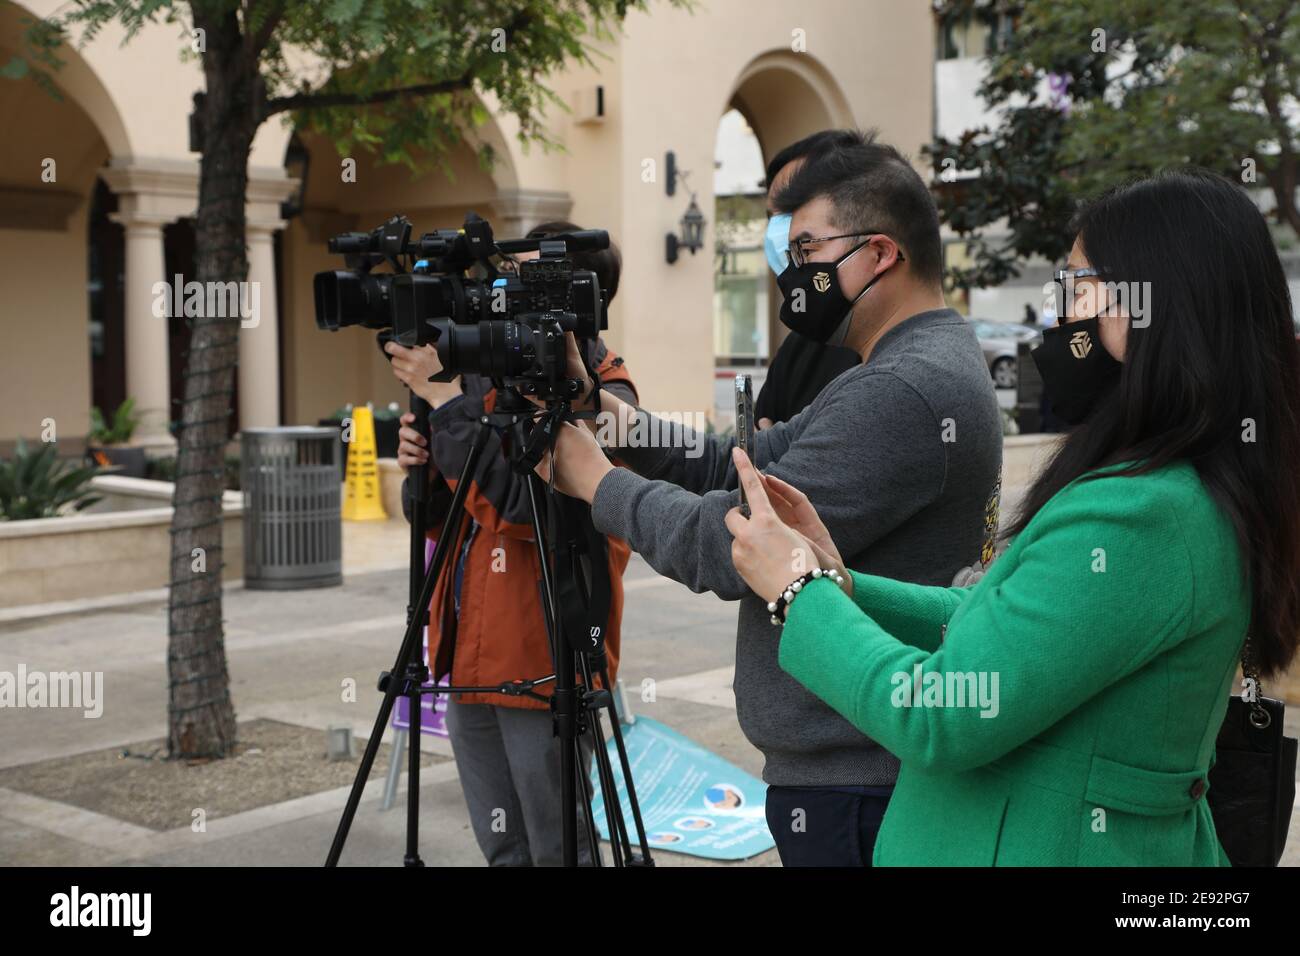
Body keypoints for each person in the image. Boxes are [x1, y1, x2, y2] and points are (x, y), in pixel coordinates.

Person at [727, 168, 1300, 865]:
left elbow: (942, 714)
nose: (1060, 317)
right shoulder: (1176, 484)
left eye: (1078, 287)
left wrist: (797, 593)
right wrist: (841, 582)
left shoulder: (1141, 513)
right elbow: (1006, 628)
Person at [535, 133, 1003, 865]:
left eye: (809, 250)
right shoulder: (899, 368)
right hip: (849, 769)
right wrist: (604, 413)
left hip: (860, 782)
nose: (794, 272)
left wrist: (595, 480)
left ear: (879, 253)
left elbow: (730, 545)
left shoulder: (906, 388)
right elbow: (743, 464)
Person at [384, 222, 639, 866]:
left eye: (524, 278)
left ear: (579, 292)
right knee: (504, 850)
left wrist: (446, 404)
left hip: (543, 657)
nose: (505, 291)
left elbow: (526, 509)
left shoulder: (605, 393)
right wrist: (426, 449)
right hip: (469, 653)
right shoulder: (489, 381)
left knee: (558, 847)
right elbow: (440, 517)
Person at [755, 131, 863, 429]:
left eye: (791, 209)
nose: (779, 230)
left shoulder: (894, 357)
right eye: (772, 215)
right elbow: (756, 443)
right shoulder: (800, 344)